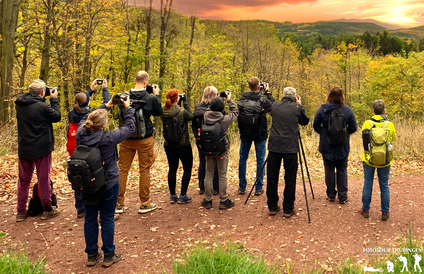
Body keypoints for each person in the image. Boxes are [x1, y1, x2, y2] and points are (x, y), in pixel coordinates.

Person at [76, 97, 135, 267]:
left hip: (86, 184)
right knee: (107, 218)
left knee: (90, 218)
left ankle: (92, 255)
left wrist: (105, 106)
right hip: (108, 184)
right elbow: (130, 127)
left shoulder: (81, 134)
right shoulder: (109, 137)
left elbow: (83, 119)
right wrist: (128, 107)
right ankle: (109, 254)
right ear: (103, 125)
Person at [116, 71, 163, 214]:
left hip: (126, 138)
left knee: (122, 170)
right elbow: (158, 112)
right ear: (145, 82)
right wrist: (156, 95)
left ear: (135, 80)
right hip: (145, 139)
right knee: (144, 170)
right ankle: (144, 202)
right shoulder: (150, 98)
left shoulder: (124, 96)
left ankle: (118, 204)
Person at [15, 79, 61, 222]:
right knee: (43, 179)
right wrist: (54, 100)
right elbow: (56, 116)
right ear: (42, 92)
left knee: (23, 181)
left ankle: (20, 212)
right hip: (42, 149)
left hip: (24, 149)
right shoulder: (43, 107)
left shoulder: (20, 104)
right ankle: (47, 208)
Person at [67, 79, 111, 218]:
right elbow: (106, 106)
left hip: (74, 149)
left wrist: (90, 91)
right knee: (92, 174)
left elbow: (81, 102)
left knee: (78, 173)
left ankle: (80, 207)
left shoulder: (71, 113)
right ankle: (95, 204)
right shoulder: (91, 114)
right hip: (90, 151)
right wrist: (104, 89)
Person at [266, 87, 310, 217]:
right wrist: (299, 105)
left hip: (274, 146)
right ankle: (288, 208)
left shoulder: (275, 106)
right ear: (295, 97)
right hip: (290, 147)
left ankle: (272, 207)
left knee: (272, 177)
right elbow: (305, 121)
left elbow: (271, 106)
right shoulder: (297, 108)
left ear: (283, 96)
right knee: (290, 178)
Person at [313, 87, 357, 204]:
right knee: (342, 169)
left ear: (330, 95)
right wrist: (344, 133)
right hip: (342, 145)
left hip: (326, 145)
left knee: (329, 169)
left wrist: (324, 133)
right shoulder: (347, 110)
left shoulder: (322, 109)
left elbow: (316, 125)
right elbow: (354, 127)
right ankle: (343, 196)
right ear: (342, 96)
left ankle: (331, 195)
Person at [201, 91, 239, 210]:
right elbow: (235, 112)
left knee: (209, 174)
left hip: (208, 150)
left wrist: (216, 98)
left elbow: (209, 108)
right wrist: (229, 99)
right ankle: (223, 200)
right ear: (222, 108)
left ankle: (208, 200)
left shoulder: (205, 116)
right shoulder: (224, 120)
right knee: (222, 175)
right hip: (222, 150)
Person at [237, 77, 275, 196]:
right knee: (260, 159)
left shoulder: (242, 99)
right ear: (259, 87)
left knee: (243, 158)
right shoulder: (263, 100)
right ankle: (259, 187)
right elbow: (274, 108)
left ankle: (242, 187)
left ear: (248, 87)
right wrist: (267, 93)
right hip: (260, 133)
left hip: (245, 132)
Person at [360, 100, 396, 221]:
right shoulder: (389, 125)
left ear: (373, 111)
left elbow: (363, 139)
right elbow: (393, 138)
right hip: (385, 159)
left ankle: (365, 209)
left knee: (368, 183)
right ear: (384, 111)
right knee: (384, 185)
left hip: (369, 158)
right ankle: (385, 212)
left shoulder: (367, 123)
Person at [161, 89, 193, 204]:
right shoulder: (182, 112)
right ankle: (183, 195)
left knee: (172, 169)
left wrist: (177, 102)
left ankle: (172, 195)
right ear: (177, 98)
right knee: (187, 168)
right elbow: (191, 116)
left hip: (169, 145)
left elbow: (172, 112)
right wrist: (185, 102)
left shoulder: (163, 111)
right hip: (183, 144)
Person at [193, 86, 220, 195]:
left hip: (200, 139)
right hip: (213, 140)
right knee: (216, 163)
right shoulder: (215, 109)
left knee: (202, 161)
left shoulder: (197, 108)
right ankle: (215, 187)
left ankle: (202, 187)